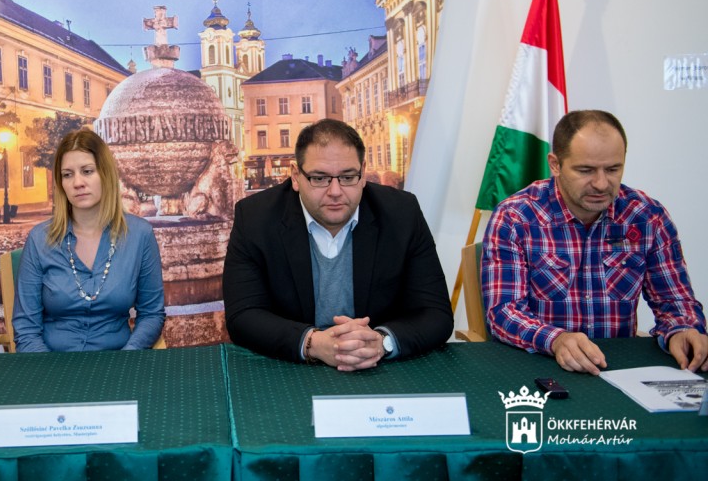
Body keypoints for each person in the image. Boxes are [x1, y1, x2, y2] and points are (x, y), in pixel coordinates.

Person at [483, 110, 708, 374]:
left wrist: (682, 330)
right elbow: (503, 312)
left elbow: (675, 301)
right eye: (586, 170)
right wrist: (556, 340)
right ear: (555, 164)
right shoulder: (516, 217)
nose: (601, 184)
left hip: (618, 367)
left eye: (613, 169)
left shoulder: (647, 216)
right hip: (540, 364)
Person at [223, 119, 452, 370]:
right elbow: (243, 316)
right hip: (290, 370)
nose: (335, 191)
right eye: (319, 178)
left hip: (380, 368)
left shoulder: (402, 213)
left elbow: (436, 314)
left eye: (348, 177)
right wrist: (313, 343)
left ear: (363, 174)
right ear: (296, 176)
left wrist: (381, 343)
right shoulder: (255, 218)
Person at [12, 129, 165, 352]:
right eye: (67, 174)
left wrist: (127, 358)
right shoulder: (39, 239)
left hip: (118, 362)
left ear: (105, 174)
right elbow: (26, 329)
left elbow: (151, 314)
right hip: (53, 364)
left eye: (87, 171)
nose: (78, 182)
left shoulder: (140, 235)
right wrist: (49, 371)